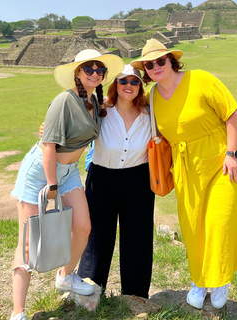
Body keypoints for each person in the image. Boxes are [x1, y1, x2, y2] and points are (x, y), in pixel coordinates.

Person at [131, 39, 237, 310]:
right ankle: (200, 280)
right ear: (146, 71)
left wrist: (231, 154)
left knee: (219, 222)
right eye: (149, 65)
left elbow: (232, 113)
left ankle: (219, 280)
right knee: (194, 227)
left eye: (160, 61)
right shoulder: (152, 97)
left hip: (223, 160)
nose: (155, 67)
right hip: (187, 167)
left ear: (171, 61)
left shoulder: (201, 80)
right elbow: (124, 108)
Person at [9, 49, 123, 320]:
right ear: (77, 73)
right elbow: (48, 145)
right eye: (89, 69)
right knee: (28, 243)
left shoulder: (95, 102)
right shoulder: (64, 100)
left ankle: (65, 276)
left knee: (83, 227)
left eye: (100, 70)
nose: (95, 73)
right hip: (41, 172)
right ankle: (18, 311)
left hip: (69, 171)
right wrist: (51, 185)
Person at [77, 65, 155, 298]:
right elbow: (71, 127)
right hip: (102, 177)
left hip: (138, 179)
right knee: (97, 236)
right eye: (124, 81)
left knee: (138, 237)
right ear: (115, 85)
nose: (129, 86)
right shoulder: (100, 110)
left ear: (140, 86)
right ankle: (90, 290)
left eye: (134, 82)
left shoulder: (149, 114)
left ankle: (135, 295)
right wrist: (46, 131)